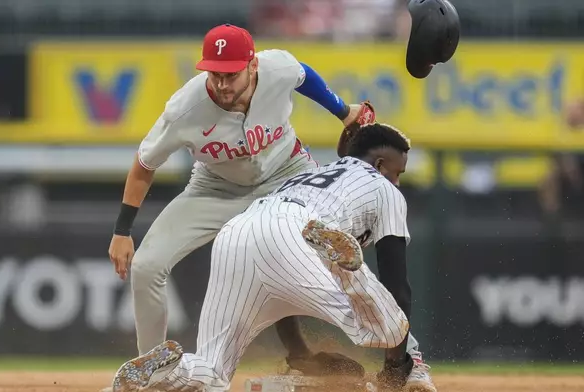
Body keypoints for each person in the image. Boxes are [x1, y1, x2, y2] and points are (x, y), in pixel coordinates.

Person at [107, 21, 380, 377]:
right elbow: (144, 164)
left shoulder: (276, 67)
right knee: (146, 267)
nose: (220, 84)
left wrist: (344, 111)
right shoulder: (184, 110)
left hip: (288, 175)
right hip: (215, 188)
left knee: (314, 253)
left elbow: (304, 76)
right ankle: (152, 374)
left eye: (230, 75)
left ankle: (395, 356)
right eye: (213, 74)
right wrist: (122, 230)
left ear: (253, 66)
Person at [110, 123, 435, 392]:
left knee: (212, 372)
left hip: (241, 229)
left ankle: (168, 369)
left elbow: (278, 288)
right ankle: (349, 270)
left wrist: (299, 354)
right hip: (301, 231)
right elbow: (397, 287)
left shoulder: (305, 176)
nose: (398, 180)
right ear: (379, 166)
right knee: (389, 329)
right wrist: (395, 371)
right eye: (398, 171)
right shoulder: (384, 188)